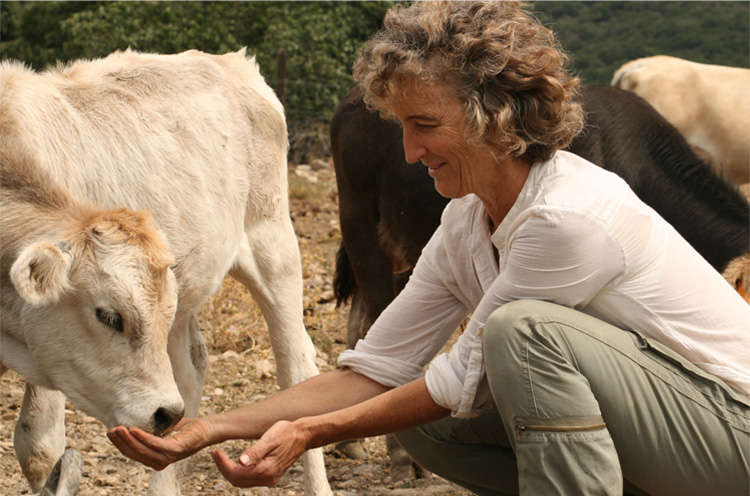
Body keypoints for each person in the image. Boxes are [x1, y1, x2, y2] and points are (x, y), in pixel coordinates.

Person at [108, 2, 750, 494]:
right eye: (402, 127)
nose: (410, 153)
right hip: (671, 432)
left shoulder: (568, 215)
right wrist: (213, 425)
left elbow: (459, 375)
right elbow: (374, 370)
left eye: (426, 126)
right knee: (407, 416)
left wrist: (311, 431)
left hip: (733, 432)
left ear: (494, 117)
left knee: (523, 335)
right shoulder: (468, 220)